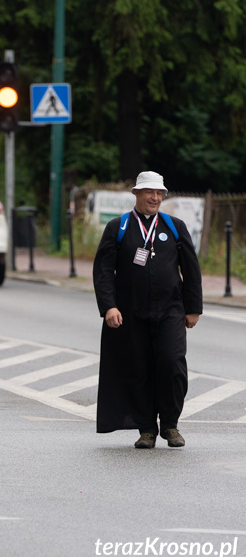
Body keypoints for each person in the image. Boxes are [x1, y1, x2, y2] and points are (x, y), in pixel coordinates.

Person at [92, 171, 202, 449]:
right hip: (131, 311)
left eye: (159, 193)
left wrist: (193, 308)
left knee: (172, 363)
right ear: (137, 194)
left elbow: (191, 269)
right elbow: (103, 271)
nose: (155, 198)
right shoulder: (118, 227)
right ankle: (146, 429)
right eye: (149, 192)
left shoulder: (174, 227)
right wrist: (109, 307)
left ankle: (170, 424)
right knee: (138, 369)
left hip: (170, 310)